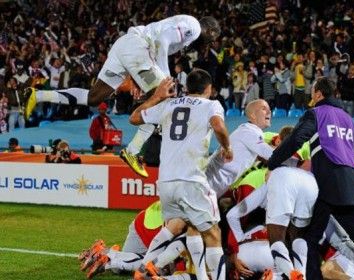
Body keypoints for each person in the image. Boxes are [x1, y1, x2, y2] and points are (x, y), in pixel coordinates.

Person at [23, 15, 221, 178]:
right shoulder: (194, 27)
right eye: (212, 39)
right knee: (164, 98)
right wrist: (164, 75)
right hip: (138, 47)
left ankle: (38, 95)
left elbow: (156, 43)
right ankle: (133, 151)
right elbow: (162, 40)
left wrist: (135, 77)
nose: (209, 43)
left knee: (93, 97)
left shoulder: (186, 31)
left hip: (126, 47)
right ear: (210, 31)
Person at [267, 77, 354, 280]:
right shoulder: (348, 118)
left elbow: (296, 139)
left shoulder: (315, 113)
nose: (311, 96)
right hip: (351, 183)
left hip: (327, 185)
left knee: (308, 239)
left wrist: (272, 162)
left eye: (312, 91)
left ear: (318, 94)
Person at [129, 69, 232, 280]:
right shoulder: (211, 104)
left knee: (180, 225)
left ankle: (143, 270)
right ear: (209, 89)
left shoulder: (168, 104)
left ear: (187, 87)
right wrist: (227, 147)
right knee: (213, 234)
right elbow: (218, 125)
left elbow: (135, 118)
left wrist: (157, 96)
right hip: (192, 179)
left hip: (166, 182)